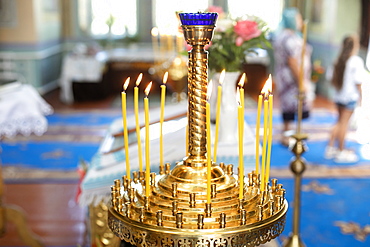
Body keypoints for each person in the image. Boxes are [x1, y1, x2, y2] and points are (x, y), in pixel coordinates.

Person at [273, 8, 313, 146]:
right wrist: (301, 81)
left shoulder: (282, 35)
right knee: (294, 105)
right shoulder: (289, 38)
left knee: (288, 106)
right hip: (292, 78)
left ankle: (288, 134)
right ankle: (293, 136)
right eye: (299, 19)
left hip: (285, 76)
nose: (300, 22)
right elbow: (293, 61)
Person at [325, 34, 365, 163]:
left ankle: (331, 147)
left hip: (339, 96)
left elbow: (330, 79)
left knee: (339, 121)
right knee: (344, 124)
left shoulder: (338, 60)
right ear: (355, 46)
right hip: (349, 97)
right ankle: (341, 151)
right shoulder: (356, 61)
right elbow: (358, 82)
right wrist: (361, 97)